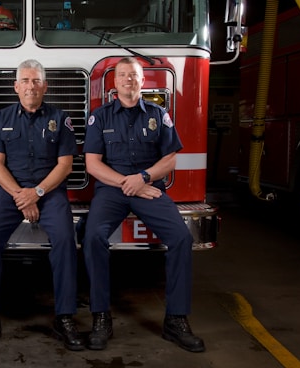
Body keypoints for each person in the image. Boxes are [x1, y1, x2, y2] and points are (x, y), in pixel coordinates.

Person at [82, 57, 205, 352]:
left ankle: (175, 319)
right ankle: (101, 316)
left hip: (150, 188)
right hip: (113, 191)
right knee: (93, 236)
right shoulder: (100, 117)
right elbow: (93, 165)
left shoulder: (158, 114)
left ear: (142, 81)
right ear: (114, 82)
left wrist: (144, 178)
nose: (128, 80)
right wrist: (129, 183)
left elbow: (171, 158)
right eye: (123, 75)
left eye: (133, 76)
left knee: (181, 237)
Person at [0, 59, 83, 351]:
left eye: (36, 80)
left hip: (49, 191)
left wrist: (37, 193)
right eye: (25, 81)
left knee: (66, 239)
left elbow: (65, 165)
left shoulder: (60, 118)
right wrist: (21, 195)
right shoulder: (0, 118)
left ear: (45, 86)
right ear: (16, 87)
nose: (31, 86)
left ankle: (65, 317)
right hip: (10, 192)